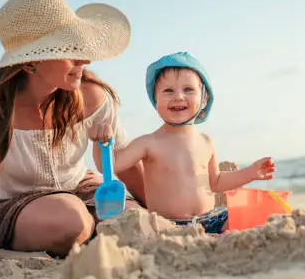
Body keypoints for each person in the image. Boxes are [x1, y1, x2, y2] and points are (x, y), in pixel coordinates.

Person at [0, 0, 146, 279]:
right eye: (68, 49)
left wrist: (159, 214)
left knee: (135, 221)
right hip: (14, 206)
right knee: (72, 221)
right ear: (29, 62)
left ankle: (92, 230)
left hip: (79, 186)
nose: (84, 59)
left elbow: (126, 162)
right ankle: (86, 232)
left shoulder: (92, 96)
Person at [96, 52, 276, 234]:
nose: (178, 97)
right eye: (168, 91)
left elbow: (216, 182)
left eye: (188, 89)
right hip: (167, 225)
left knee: (246, 219)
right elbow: (110, 166)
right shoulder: (148, 143)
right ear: (155, 100)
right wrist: (100, 142)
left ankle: (221, 236)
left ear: (204, 98)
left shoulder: (205, 141)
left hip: (211, 218)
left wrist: (251, 172)